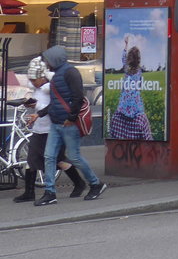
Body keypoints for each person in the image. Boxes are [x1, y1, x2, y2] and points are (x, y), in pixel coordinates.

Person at [34, 44, 105, 205]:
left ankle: (96, 184)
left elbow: (78, 97)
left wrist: (71, 118)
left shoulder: (70, 73)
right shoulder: (58, 74)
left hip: (67, 124)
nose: (46, 63)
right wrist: (39, 114)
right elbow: (56, 102)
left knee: (74, 157)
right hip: (57, 123)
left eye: (48, 60)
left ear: (55, 59)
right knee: (49, 156)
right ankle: (50, 192)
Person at [13, 56, 86, 203]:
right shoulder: (38, 88)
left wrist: (38, 112)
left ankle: (79, 182)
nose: (32, 83)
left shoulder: (53, 87)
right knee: (32, 158)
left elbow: (54, 105)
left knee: (57, 159)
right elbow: (41, 103)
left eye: (34, 80)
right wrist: (33, 105)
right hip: (39, 128)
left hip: (52, 128)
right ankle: (29, 192)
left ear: (42, 77)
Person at [109, 40, 154, 140]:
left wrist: (125, 45)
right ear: (138, 59)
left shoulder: (126, 69)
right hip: (135, 107)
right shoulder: (139, 72)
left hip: (123, 107)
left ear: (129, 59)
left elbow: (123, 58)